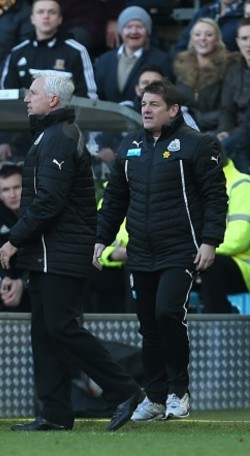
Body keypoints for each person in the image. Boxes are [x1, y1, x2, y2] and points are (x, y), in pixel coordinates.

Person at [0, 70, 145, 432]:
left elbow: (49, 201)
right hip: (48, 254)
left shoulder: (60, 137)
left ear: (53, 101)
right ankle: (56, 414)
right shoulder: (50, 135)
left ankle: (125, 390)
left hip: (61, 253)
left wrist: (15, 239)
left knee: (61, 328)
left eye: (32, 93)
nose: (27, 98)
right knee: (45, 334)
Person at [94, 80, 227, 421]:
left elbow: (215, 198)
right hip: (140, 251)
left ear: (173, 109)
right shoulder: (131, 145)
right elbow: (115, 200)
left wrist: (210, 241)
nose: (147, 110)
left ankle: (179, 392)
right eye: (143, 105)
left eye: (154, 104)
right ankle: (154, 397)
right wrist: (101, 237)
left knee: (168, 313)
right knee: (149, 324)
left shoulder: (198, 145)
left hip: (180, 249)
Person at [0, 0, 98, 100]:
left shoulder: (77, 51)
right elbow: (7, 97)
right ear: (32, 18)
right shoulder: (17, 53)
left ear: (60, 19)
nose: (46, 16)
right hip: (22, 115)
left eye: (52, 12)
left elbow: (89, 99)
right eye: (40, 12)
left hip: (66, 115)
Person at [198, 157, 250, 313]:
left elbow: (239, 238)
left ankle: (218, 327)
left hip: (242, 264)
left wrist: (201, 252)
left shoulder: (242, 185)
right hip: (204, 256)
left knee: (210, 263)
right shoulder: (198, 187)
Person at [94, 5, 172, 103]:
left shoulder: (161, 60)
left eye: (139, 27)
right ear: (121, 31)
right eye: (128, 27)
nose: (134, 31)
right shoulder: (104, 60)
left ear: (148, 31)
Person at [173, 18, 235, 134]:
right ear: (191, 39)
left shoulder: (229, 65)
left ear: (217, 39)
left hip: (215, 129)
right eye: (197, 34)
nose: (202, 38)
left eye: (209, 34)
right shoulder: (180, 64)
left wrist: (196, 120)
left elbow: (227, 109)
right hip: (184, 127)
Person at [0, 163, 29, 312]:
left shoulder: (42, 212)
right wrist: (5, 282)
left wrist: (23, 283)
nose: (12, 195)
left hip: (39, 281)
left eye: (17, 187)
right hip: (10, 279)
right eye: (6, 189)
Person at [218, 17, 250, 172]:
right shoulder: (233, 71)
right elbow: (227, 109)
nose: (249, 43)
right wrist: (224, 131)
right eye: (244, 38)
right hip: (235, 134)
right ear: (238, 42)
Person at [173, 0, 243, 54]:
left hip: (230, 68)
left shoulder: (246, 13)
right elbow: (182, 44)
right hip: (194, 66)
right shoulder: (205, 11)